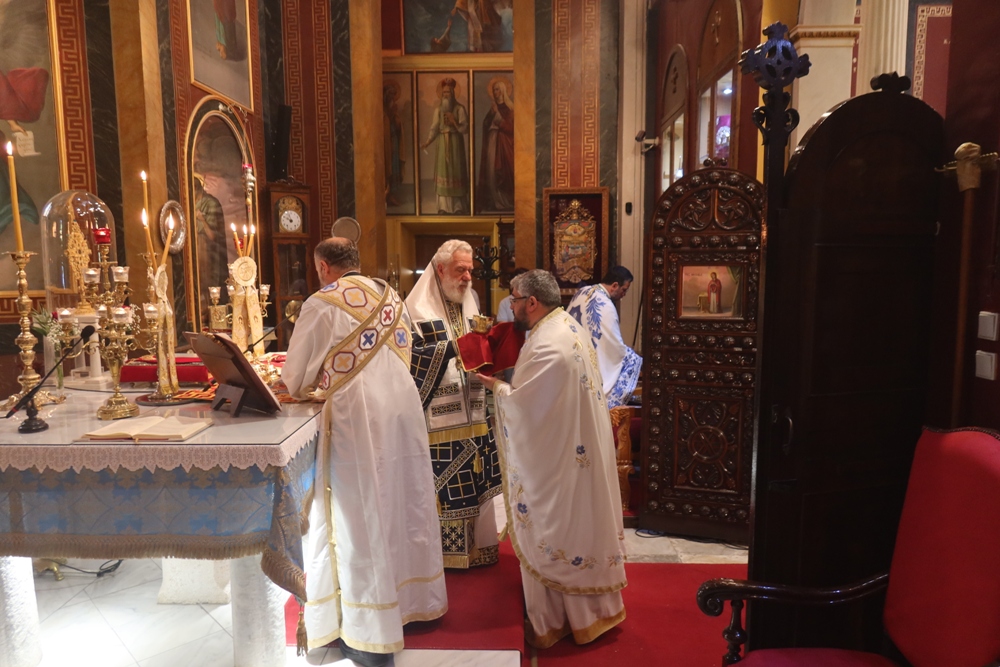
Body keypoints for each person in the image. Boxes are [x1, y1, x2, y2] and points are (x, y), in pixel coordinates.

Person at [282, 238, 447, 667]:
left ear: (323, 266)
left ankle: (367, 625)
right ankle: (410, 600)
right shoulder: (391, 297)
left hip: (356, 418)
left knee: (359, 515)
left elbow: (295, 378)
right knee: (401, 502)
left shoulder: (321, 303)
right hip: (401, 408)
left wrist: (308, 384)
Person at [476, 269, 627, 649]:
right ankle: (591, 613)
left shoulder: (546, 342)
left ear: (532, 302)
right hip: (575, 447)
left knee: (558, 527)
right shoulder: (567, 327)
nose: (511, 307)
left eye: (514, 299)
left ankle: (557, 620)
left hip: (560, 460)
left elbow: (524, 406)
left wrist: (494, 386)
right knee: (579, 524)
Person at [406, 239, 502, 569]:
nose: (467, 278)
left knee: (476, 483)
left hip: (475, 410)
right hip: (439, 419)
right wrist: (452, 348)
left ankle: (478, 549)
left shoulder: (469, 302)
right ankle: (445, 556)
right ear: (440, 269)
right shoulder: (414, 310)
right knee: (447, 488)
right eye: (461, 270)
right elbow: (408, 360)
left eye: (470, 271)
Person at [566, 266, 642, 408]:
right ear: (614, 286)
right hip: (590, 362)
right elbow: (615, 348)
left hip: (571, 359)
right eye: (624, 290)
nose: (624, 295)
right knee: (633, 361)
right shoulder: (606, 305)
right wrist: (634, 359)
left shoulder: (582, 292)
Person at [421, 78, 469, 214]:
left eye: (448, 92)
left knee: (456, 173)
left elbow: (465, 128)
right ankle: (443, 207)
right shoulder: (438, 110)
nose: (445, 95)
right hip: (442, 144)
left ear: (453, 93)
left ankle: (458, 207)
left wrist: (454, 122)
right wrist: (427, 142)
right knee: (444, 172)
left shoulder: (460, 109)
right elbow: (434, 128)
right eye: (444, 93)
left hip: (455, 143)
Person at [477, 77, 514, 212]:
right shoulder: (492, 108)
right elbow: (486, 124)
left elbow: (512, 129)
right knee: (491, 171)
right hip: (492, 143)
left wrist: (497, 115)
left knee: (503, 172)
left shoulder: (510, 108)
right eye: (493, 90)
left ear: (503, 91)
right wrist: (491, 114)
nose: (495, 92)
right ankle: (495, 201)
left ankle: (506, 202)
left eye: (497, 89)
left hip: (504, 146)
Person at [193, 174, 229, 297]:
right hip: (193, 253)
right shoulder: (190, 202)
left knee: (208, 288)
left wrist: (202, 220)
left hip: (206, 253)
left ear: (196, 189)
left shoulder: (211, 203)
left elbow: (213, 236)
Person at [383, 81, 404, 207]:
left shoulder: (393, 110)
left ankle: (391, 195)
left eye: (393, 96)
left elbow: (398, 126)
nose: (392, 99)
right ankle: (386, 194)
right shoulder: (381, 111)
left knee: (394, 167)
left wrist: (395, 118)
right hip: (385, 145)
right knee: (386, 168)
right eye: (390, 96)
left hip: (393, 142)